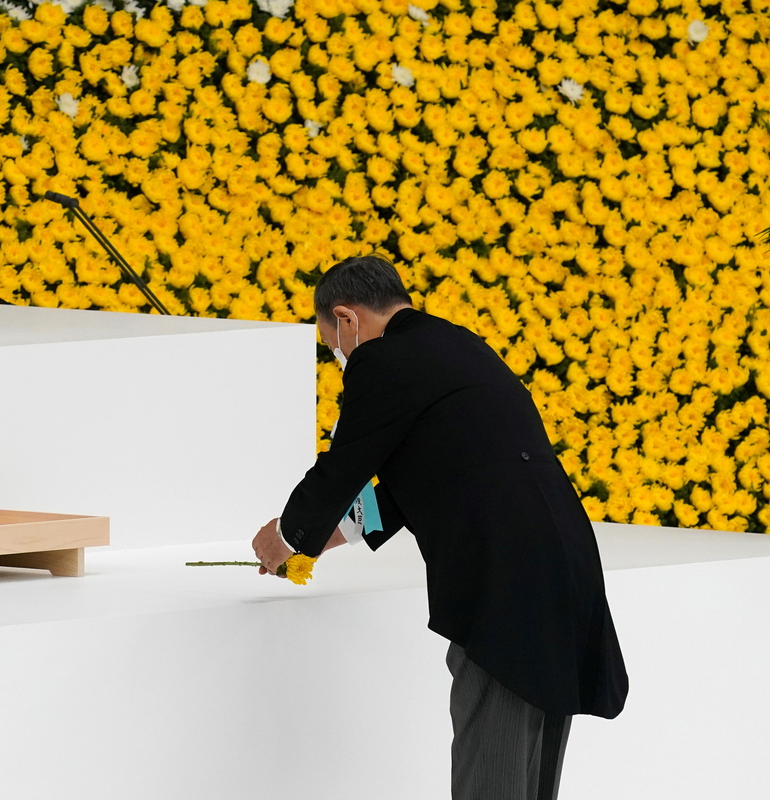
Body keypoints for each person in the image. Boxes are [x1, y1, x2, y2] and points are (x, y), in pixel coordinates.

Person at [251, 255, 627, 800]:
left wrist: (286, 537)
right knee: (534, 767)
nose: (339, 356)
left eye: (331, 344)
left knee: (491, 767)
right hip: (563, 563)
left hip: (504, 581)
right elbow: (415, 483)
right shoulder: (457, 345)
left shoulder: (382, 360)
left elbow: (342, 468)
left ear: (347, 318)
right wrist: (323, 543)